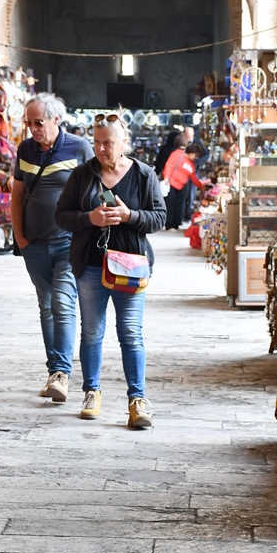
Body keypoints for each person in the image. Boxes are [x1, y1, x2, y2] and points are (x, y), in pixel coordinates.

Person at [56, 111, 166, 428]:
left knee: (131, 333)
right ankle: (91, 392)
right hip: (91, 266)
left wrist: (130, 215)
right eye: (97, 143)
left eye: (108, 143)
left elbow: (160, 218)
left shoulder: (144, 175)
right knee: (91, 332)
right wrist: (88, 219)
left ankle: (137, 399)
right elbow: (61, 216)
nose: (102, 149)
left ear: (124, 142)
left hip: (131, 267)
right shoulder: (82, 176)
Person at [12, 93, 95, 402]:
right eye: (28, 123)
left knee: (62, 302)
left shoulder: (79, 148)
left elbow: (95, 193)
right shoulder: (25, 149)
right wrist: (19, 236)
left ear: (56, 120)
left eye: (38, 122)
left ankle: (61, 373)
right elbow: (18, 194)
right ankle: (54, 371)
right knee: (46, 305)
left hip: (67, 242)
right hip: (33, 243)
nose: (33, 128)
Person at [163, 142, 207, 230]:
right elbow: (169, 165)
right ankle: (169, 225)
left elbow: (193, 177)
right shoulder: (178, 154)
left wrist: (201, 186)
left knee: (179, 205)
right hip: (171, 184)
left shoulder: (191, 164)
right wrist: (166, 177)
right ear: (192, 152)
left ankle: (176, 224)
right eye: (196, 155)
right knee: (171, 205)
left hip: (181, 186)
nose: (196, 158)